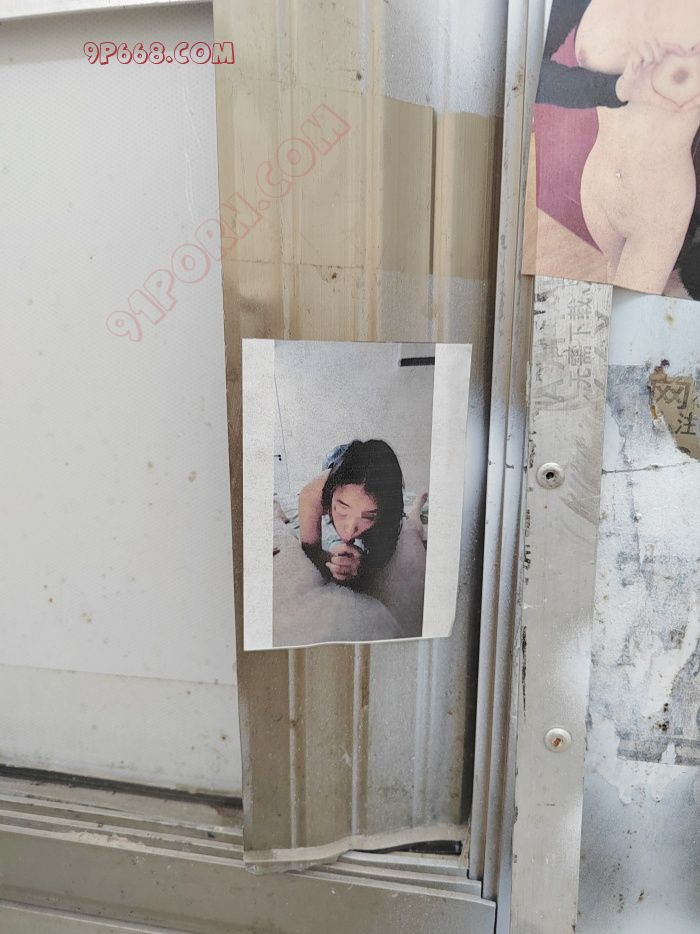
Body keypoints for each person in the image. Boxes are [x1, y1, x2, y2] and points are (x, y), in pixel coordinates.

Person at [298, 439, 423, 588]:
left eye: (369, 516)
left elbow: (382, 555)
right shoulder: (312, 495)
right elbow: (311, 551)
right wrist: (332, 561)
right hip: (335, 457)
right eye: (341, 510)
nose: (349, 531)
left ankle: (418, 505)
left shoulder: (390, 509)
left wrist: (363, 565)